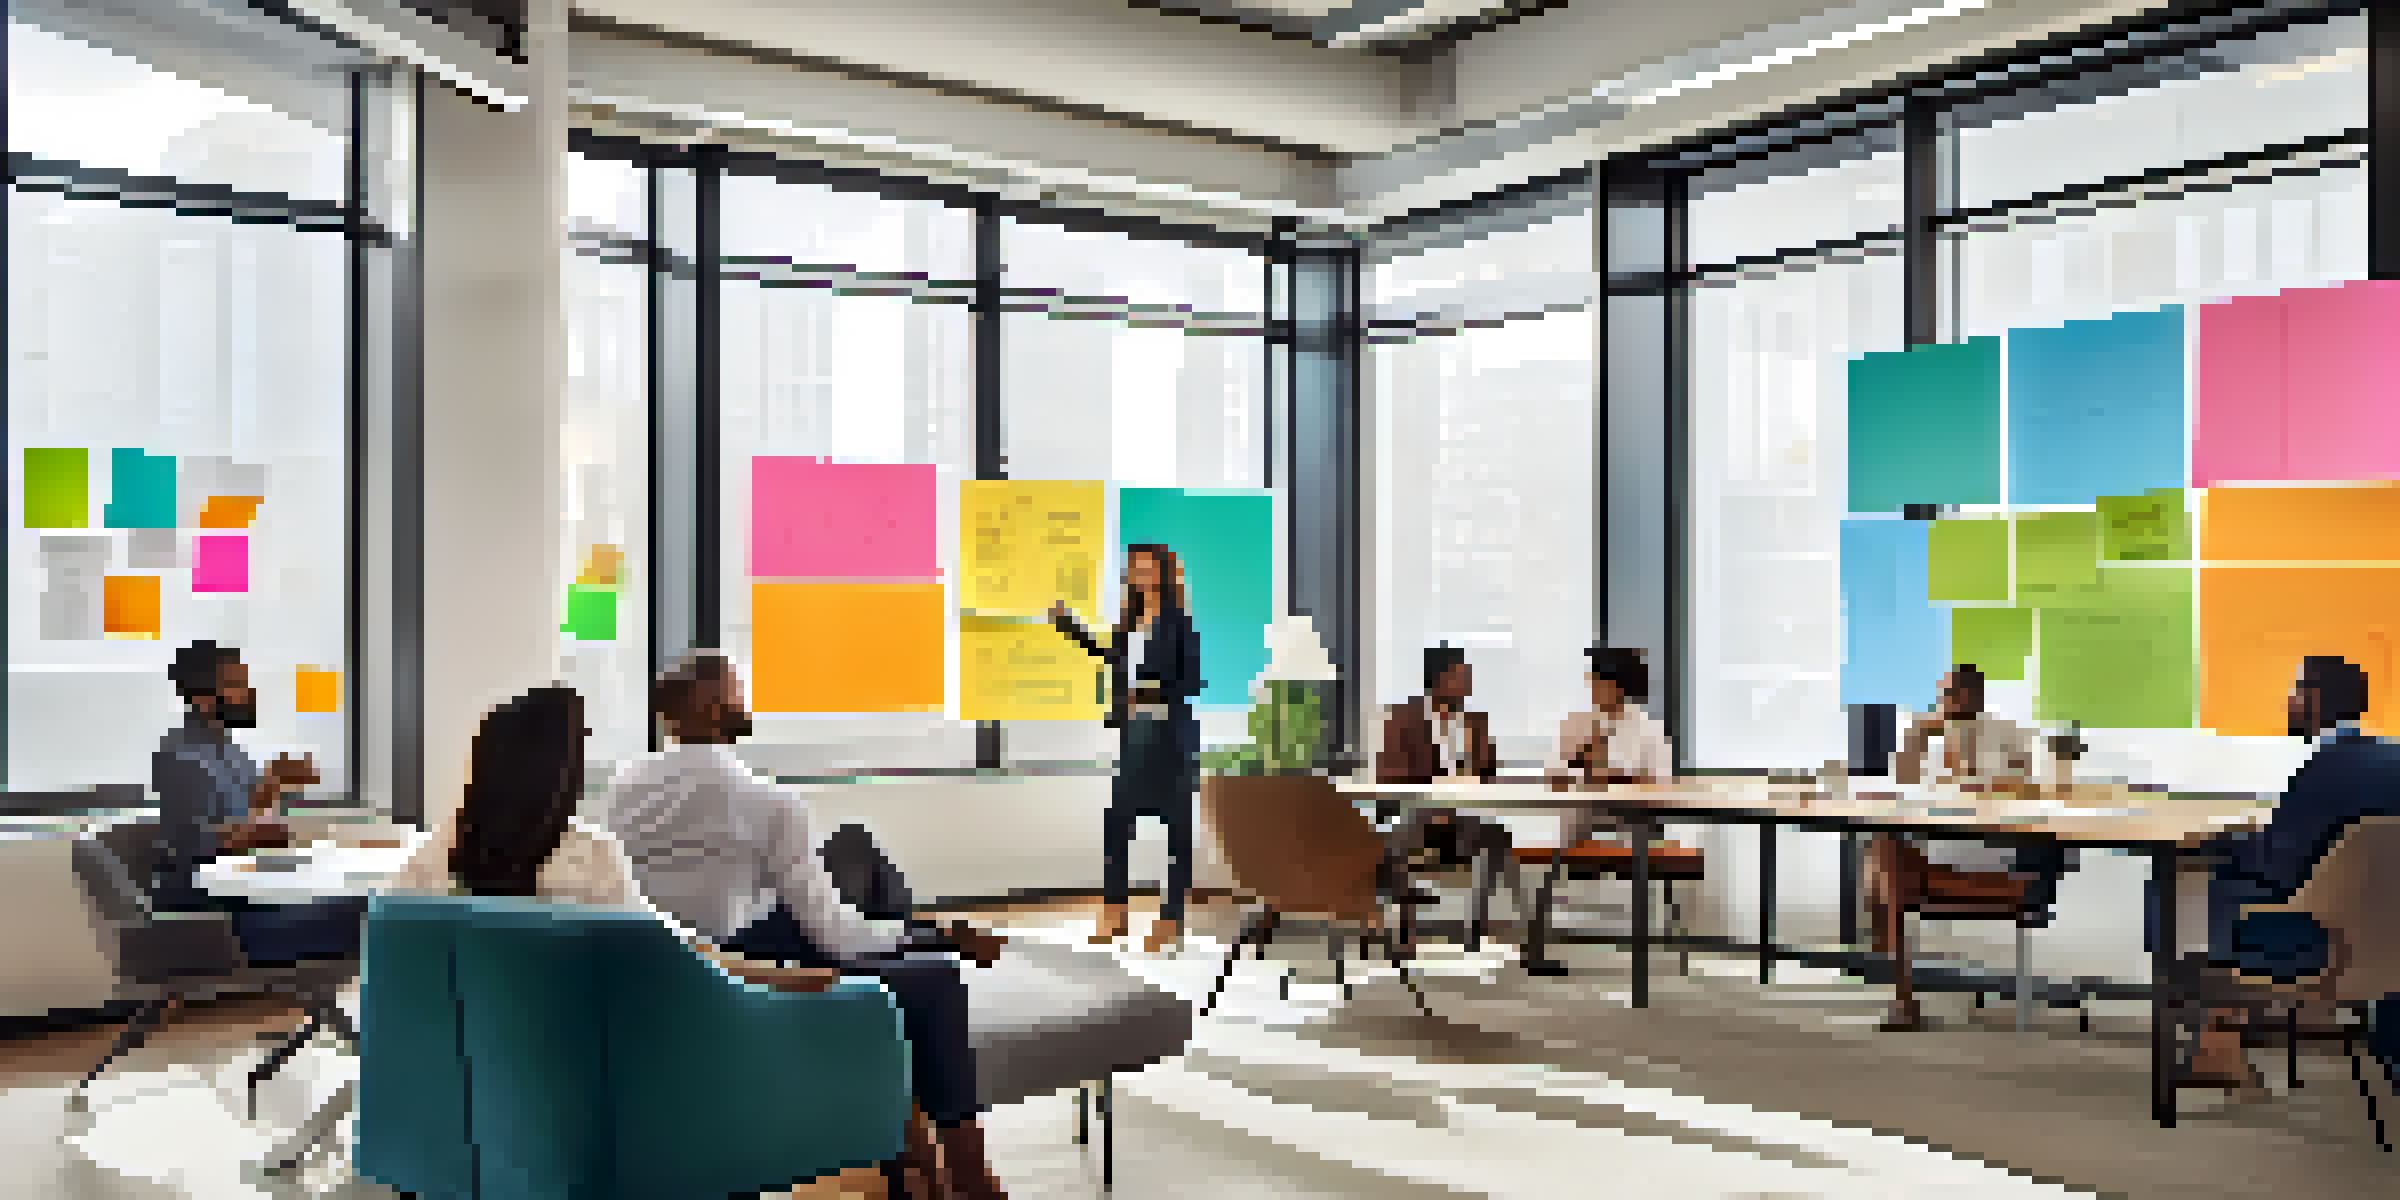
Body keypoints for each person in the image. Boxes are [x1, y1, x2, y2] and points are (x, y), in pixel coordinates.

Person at [603, 652, 1011, 1200]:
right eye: (733, 689)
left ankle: (916, 1153)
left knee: (854, 848)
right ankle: (968, 1172)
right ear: (706, 703)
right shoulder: (765, 801)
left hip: (683, 955)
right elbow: (836, 940)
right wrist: (931, 936)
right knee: (934, 978)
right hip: (753, 964)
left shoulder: (624, 791)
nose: (743, 700)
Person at [2154, 656, 2400, 1089]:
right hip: (2386, 941)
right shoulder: (2390, 759)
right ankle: (2219, 1040)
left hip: (2321, 941)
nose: (2289, 702)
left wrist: (2216, 842)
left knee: (2183, 883)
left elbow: (2276, 864)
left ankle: (2207, 1028)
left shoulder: (2326, 768)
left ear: (2315, 699)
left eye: (2296, 691)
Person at [1871, 664, 2075, 1032]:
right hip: (1940, 866)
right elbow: (1899, 790)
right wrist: (1918, 733)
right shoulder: (1930, 739)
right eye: (1942, 694)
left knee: (1889, 869)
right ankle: (1901, 996)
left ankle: (1900, 996)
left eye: (1952, 694)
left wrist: (1973, 774)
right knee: (1885, 847)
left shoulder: (2004, 734)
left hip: (1999, 867)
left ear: (1975, 695)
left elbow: (2026, 793)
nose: (1944, 702)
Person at [150, 641, 366, 964]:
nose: (249, 693)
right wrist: (277, 831)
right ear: (202, 699)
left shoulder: (228, 750)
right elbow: (198, 844)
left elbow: (245, 809)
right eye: (236, 685)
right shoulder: (178, 757)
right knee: (374, 912)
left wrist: (274, 784)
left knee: (371, 901)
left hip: (256, 892)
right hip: (222, 917)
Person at [1050, 543, 1204, 954]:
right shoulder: (1130, 621)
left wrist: (1149, 690)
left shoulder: (1179, 622)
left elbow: (1193, 681)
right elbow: (1110, 657)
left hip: (1170, 736)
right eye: (1136, 568)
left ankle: (1171, 918)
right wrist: (1070, 627)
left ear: (1165, 573)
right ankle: (1114, 910)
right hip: (1135, 735)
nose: (1143, 574)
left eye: (1150, 568)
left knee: (1176, 828)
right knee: (1117, 822)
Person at [1374, 645, 1532, 953]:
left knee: (1497, 837)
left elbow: (1489, 773)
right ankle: (1405, 935)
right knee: (1402, 836)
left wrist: (1476, 764)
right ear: (1441, 679)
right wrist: (1434, 788)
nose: (1468, 683)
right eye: (1462, 676)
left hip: (1459, 820)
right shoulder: (1403, 718)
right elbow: (1388, 773)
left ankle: (1481, 929)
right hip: (1417, 815)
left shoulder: (1474, 721)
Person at [1545, 645, 1674, 847]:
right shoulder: (1576, 724)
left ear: (1620, 687)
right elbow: (1554, 776)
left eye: (1600, 682)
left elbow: (1660, 787)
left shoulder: (1648, 730)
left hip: (1631, 832)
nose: (1594, 689)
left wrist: (1604, 774)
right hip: (1580, 829)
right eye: (1593, 681)